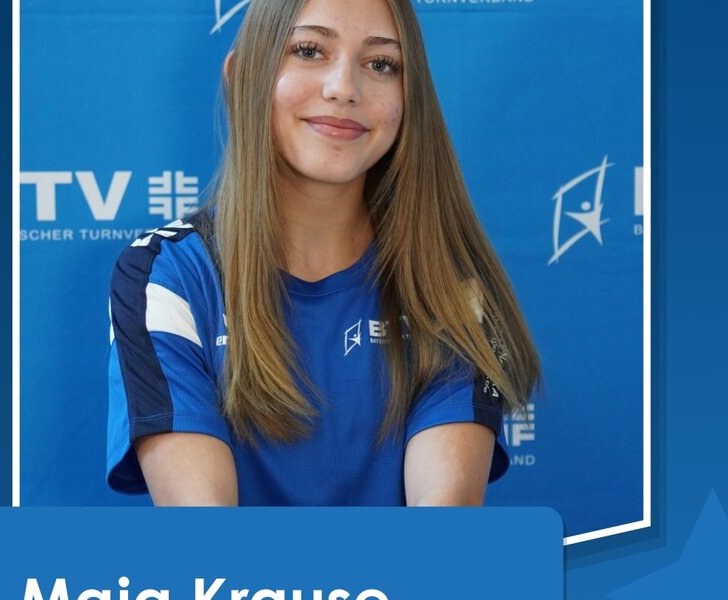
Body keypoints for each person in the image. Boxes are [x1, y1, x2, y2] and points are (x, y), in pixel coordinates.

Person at [107, 0, 539, 506]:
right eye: (309, 51)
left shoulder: (449, 287)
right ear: (242, 76)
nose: (344, 88)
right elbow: (208, 539)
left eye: (381, 64)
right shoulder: (167, 275)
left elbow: (442, 535)